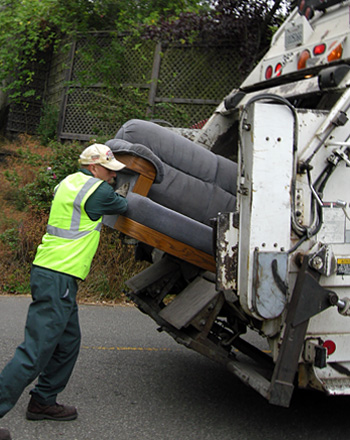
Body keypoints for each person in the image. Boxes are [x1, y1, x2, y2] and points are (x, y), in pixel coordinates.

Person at [0, 144, 128, 440]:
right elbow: (122, 206)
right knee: (35, 351)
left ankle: (43, 400)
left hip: (54, 273)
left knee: (68, 342)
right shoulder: (96, 190)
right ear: (94, 167)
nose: (111, 176)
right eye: (109, 170)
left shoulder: (67, 182)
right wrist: (120, 191)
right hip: (58, 275)